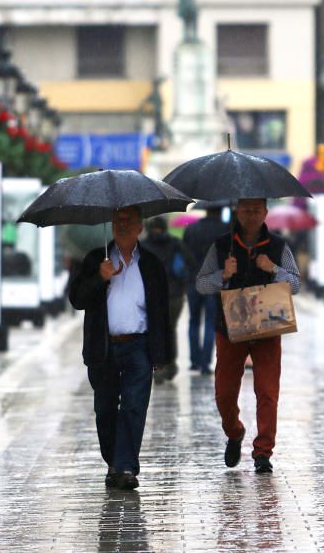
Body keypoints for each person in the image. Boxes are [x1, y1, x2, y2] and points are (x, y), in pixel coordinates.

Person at [68, 206, 171, 491]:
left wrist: (162, 353)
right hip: (104, 348)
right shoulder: (95, 259)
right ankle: (114, 462)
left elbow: (162, 310)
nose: (122, 225)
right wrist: (99, 278)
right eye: (118, 220)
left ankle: (126, 467)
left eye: (129, 221)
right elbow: (76, 298)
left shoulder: (151, 263)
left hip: (139, 345)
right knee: (105, 410)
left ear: (140, 227)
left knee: (134, 407)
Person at [196, 198, 301, 474]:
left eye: (256, 209)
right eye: (245, 209)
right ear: (237, 211)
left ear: (265, 212)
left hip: (268, 326)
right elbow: (201, 283)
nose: (251, 214)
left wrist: (274, 269)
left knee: (267, 392)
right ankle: (234, 431)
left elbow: (297, 283)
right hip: (230, 328)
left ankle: (263, 453)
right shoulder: (221, 246)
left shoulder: (278, 246)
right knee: (224, 393)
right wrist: (223, 274)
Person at [182, 205, 228, 374]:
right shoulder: (224, 230)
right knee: (210, 321)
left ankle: (194, 361)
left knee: (193, 321)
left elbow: (184, 253)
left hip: (193, 280)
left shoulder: (192, 229)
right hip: (214, 282)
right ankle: (206, 363)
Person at [140, 216, 187, 382]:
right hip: (174, 294)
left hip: (151, 294)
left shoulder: (143, 245)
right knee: (170, 329)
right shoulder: (175, 243)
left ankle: (158, 367)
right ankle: (171, 365)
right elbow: (184, 268)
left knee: (155, 331)